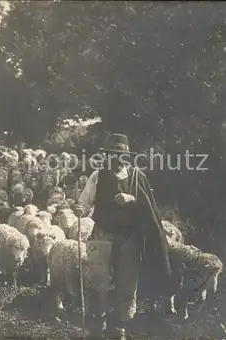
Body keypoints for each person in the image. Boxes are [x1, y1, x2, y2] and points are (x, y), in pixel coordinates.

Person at [73, 133, 171, 340]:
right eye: (111, 155)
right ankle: (95, 326)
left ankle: (119, 328)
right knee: (98, 283)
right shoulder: (97, 176)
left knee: (127, 284)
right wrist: (79, 208)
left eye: (119, 155)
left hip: (129, 240)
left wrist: (133, 198)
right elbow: (85, 202)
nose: (115, 159)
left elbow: (150, 210)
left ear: (127, 157)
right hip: (102, 237)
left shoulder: (137, 177)